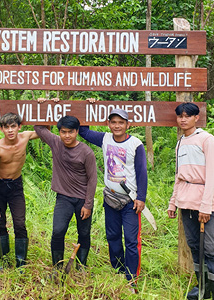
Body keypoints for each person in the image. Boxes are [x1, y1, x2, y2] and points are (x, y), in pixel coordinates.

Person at [79, 107, 147, 293]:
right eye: (113, 122)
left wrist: (141, 198)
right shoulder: (105, 139)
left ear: (127, 125)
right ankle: (118, 271)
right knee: (113, 237)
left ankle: (131, 279)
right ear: (108, 124)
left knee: (132, 241)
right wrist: (88, 105)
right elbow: (83, 131)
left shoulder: (135, 144)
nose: (117, 126)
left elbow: (142, 173)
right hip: (110, 198)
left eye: (121, 122)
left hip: (130, 201)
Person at [167, 102, 214, 300]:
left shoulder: (207, 140)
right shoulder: (181, 142)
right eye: (180, 116)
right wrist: (173, 202)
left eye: (187, 116)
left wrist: (206, 206)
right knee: (194, 245)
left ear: (196, 118)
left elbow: (212, 176)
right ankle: (202, 288)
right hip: (185, 202)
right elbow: (179, 175)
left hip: (203, 203)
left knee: (209, 248)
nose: (183, 119)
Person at [34, 116, 97, 270]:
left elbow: (92, 179)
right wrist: (45, 107)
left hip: (82, 199)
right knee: (58, 231)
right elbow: (39, 128)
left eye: (70, 132)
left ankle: (81, 266)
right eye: (63, 132)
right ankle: (57, 267)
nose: (67, 135)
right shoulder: (56, 142)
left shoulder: (86, 152)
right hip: (64, 198)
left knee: (84, 232)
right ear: (59, 132)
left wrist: (88, 204)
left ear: (77, 132)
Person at [0, 112, 39, 268]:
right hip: (0, 185)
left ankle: (20, 261)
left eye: (13, 126)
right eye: (6, 127)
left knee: (19, 222)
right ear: (1, 129)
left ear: (19, 127)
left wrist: (45, 105)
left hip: (16, 186)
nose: (10, 130)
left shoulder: (25, 137)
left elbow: (45, 131)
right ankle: (4, 258)